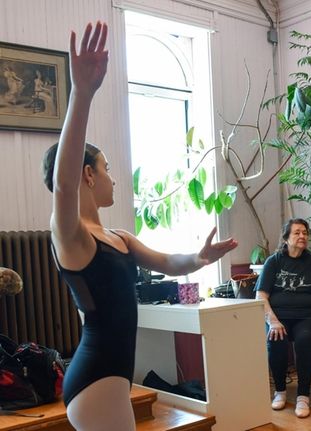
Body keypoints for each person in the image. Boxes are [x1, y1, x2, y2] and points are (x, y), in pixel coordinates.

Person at [42, 22, 237, 431]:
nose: (114, 177)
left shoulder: (118, 238)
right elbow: (63, 185)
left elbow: (170, 262)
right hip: (94, 379)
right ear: (88, 176)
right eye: (106, 169)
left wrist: (201, 258)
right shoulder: (72, 237)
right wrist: (82, 93)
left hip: (112, 379)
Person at [255, 218, 311, 419]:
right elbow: (261, 296)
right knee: (276, 340)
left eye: (305, 233)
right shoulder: (273, 262)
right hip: (279, 317)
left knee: (303, 340)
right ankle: (280, 391)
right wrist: (272, 321)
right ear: (286, 238)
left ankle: (303, 395)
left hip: (307, 317)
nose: (302, 236)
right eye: (297, 233)